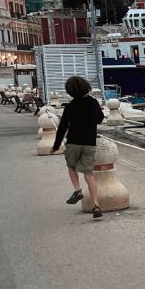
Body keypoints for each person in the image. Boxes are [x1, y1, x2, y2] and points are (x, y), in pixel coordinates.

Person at [52, 76, 105, 219]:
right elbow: (100, 119)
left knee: (71, 166)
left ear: (69, 91)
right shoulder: (93, 102)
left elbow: (62, 127)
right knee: (89, 173)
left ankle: (77, 190)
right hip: (89, 142)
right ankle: (96, 204)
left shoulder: (70, 106)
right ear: (86, 87)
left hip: (73, 142)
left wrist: (56, 146)